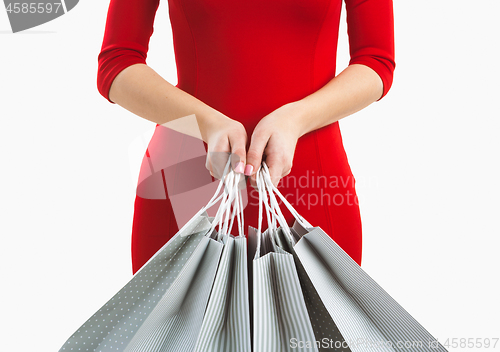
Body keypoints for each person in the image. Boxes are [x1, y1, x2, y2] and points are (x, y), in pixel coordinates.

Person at [97, 0, 395, 274]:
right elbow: (117, 60)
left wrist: (295, 120)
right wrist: (207, 123)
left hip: (311, 188)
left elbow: (376, 59)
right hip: (186, 186)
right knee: (168, 333)